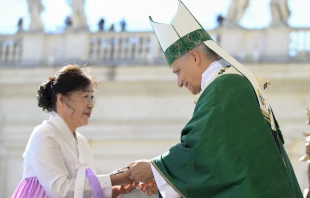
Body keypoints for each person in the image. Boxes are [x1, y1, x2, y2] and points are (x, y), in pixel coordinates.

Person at [124, 1, 303, 197]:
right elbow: (224, 164)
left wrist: (155, 169)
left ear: (194, 57)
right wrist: (166, 178)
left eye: (178, 71)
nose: (179, 82)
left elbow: (201, 150)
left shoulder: (224, 88)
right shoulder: (230, 83)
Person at [11, 65, 138, 198]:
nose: (91, 104)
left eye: (92, 97)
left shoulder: (82, 142)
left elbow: (80, 191)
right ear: (61, 99)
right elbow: (60, 191)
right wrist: (113, 179)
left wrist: (112, 191)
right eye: (85, 96)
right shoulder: (44, 135)